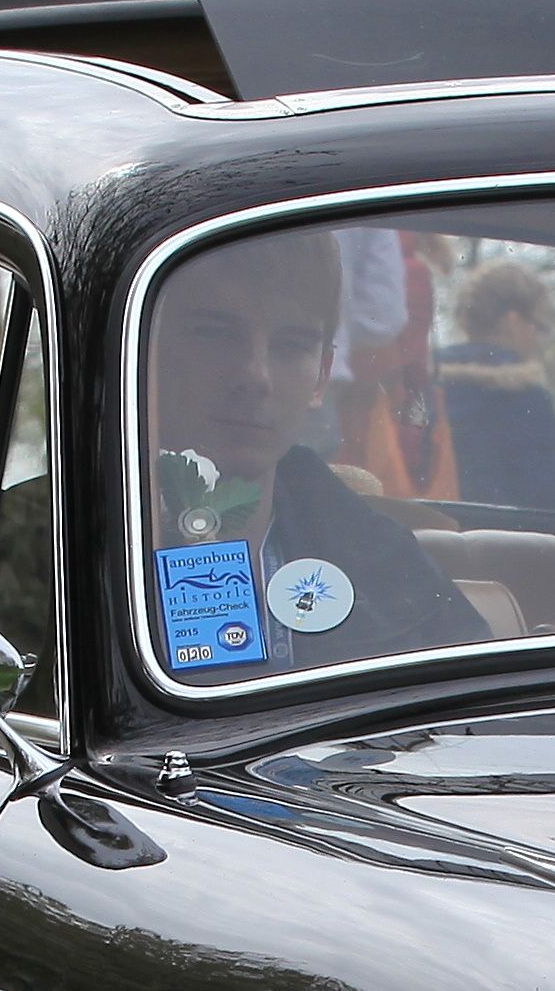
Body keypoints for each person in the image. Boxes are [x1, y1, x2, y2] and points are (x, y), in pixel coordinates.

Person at [137, 227, 485, 674]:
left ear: (321, 376)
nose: (256, 375)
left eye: (290, 347)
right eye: (216, 334)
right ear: (146, 349)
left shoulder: (388, 568)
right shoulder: (43, 546)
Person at [432, 258, 555, 511]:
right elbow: (543, 494)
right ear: (513, 320)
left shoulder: (424, 379)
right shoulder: (525, 396)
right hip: (501, 541)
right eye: (538, 327)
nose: (538, 340)